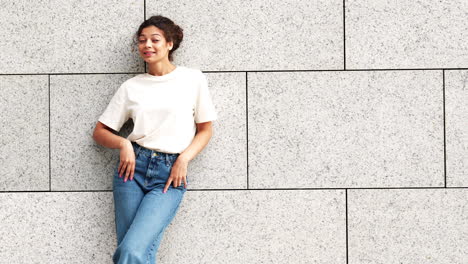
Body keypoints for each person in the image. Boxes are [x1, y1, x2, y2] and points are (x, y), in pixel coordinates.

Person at [92, 15, 217, 264]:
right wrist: (123, 143)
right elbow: (100, 131)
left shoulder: (192, 79)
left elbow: (205, 129)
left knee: (131, 251)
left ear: (169, 43)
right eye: (142, 40)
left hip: (170, 175)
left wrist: (184, 159)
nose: (147, 45)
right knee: (139, 252)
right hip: (131, 171)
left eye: (154, 39)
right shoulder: (131, 87)